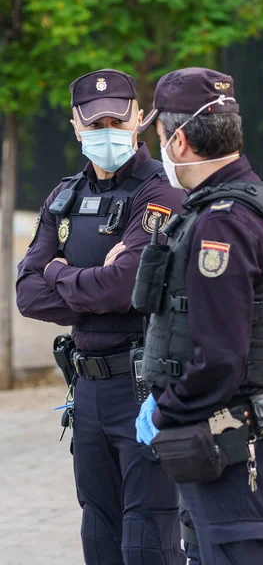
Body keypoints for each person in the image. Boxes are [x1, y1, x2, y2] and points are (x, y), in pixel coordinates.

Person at [16, 69, 186, 565]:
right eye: (95, 123)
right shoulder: (64, 197)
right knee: (99, 533)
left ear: (139, 117)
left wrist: (60, 271)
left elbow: (125, 287)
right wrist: (90, 282)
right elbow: (28, 295)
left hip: (142, 388)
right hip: (86, 390)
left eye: (117, 118)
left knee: (147, 538)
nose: (107, 129)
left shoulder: (158, 196)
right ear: (75, 126)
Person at [134, 67, 263, 565]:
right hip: (215, 449)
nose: (159, 146)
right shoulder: (227, 205)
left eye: (159, 135)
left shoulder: (224, 220)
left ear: (179, 141)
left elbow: (221, 358)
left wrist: (164, 412)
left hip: (228, 453)